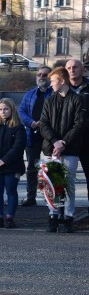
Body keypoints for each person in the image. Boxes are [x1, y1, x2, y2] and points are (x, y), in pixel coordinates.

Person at [39, 67, 85, 233]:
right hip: (51, 148)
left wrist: (63, 142)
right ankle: (53, 215)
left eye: (53, 81)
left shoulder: (77, 99)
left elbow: (79, 124)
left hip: (70, 148)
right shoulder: (50, 101)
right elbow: (43, 123)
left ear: (62, 81)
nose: (51, 84)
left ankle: (68, 216)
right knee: (52, 183)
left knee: (68, 183)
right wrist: (54, 141)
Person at [0, 98, 27, 229]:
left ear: (12, 110)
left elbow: (18, 147)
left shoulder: (18, 127)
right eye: (1, 109)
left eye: (6, 109)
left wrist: (4, 160)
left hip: (12, 166)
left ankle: (9, 217)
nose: (3, 112)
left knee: (11, 191)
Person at [18, 65, 52, 207]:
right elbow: (21, 110)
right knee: (31, 167)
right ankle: (30, 196)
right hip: (32, 135)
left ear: (50, 77)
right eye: (39, 75)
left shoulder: (54, 93)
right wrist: (31, 122)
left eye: (45, 75)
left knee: (50, 166)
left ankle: (51, 196)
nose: (41, 77)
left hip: (49, 136)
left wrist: (43, 123)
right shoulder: (30, 94)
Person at [65, 58, 89, 212]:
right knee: (65, 180)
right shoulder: (62, 89)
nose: (72, 70)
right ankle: (63, 214)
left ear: (83, 70)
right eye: (69, 68)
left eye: (75, 67)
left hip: (87, 140)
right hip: (68, 141)